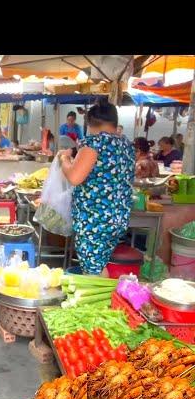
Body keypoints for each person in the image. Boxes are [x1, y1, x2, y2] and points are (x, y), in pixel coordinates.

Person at [60, 98, 135, 276]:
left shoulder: (94, 143)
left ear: (89, 123)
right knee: (99, 264)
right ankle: (107, 299)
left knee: (93, 270)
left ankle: (105, 302)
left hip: (95, 219)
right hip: (117, 218)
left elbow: (75, 177)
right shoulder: (126, 145)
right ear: (115, 122)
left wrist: (64, 159)